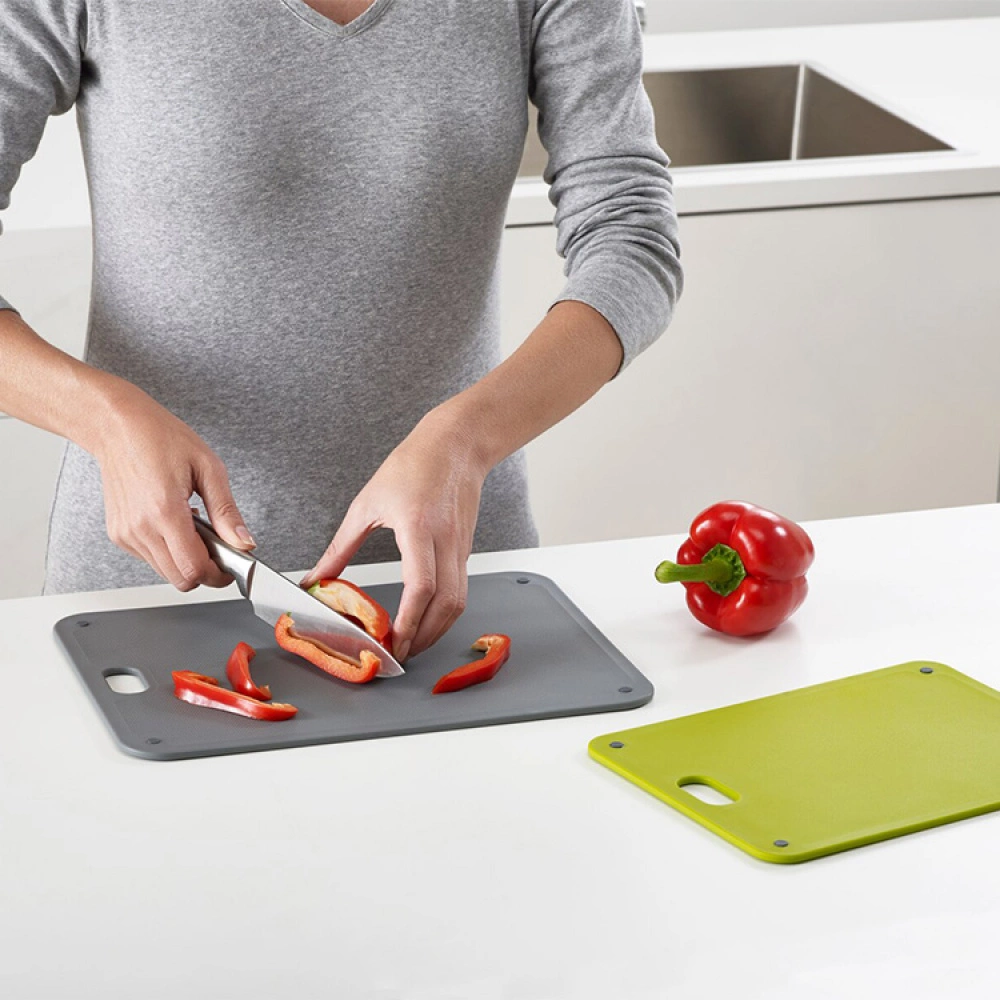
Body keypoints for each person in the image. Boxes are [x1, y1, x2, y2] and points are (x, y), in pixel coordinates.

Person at [0, 0, 682, 662]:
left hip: (452, 594)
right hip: (152, 587)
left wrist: (468, 438)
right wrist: (103, 418)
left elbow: (630, 235)